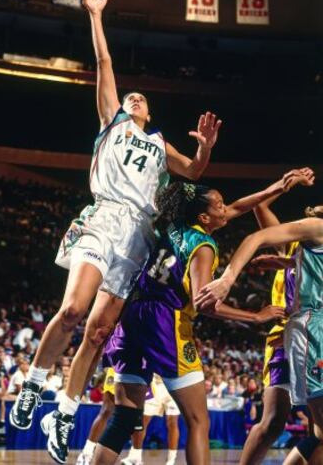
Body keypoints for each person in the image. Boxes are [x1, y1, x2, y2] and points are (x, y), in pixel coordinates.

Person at [10, 0, 222, 465]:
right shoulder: (113, 121)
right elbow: (104, 63)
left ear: (150, 112)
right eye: (131, 97)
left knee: (99, 333)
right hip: (104, 218)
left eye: (143, 100)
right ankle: (34, 385)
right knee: (72, 312)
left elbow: (192, 171)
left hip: (138, 238)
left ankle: (62, 411)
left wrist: (205, 148)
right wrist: (95, 15)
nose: (135, 99)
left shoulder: (158, 142)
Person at [90, 174, 300, 465]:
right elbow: (206, 304)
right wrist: (255, 317)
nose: (226, 208)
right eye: (219, 205)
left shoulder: (172, 225)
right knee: (199, 421)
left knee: (124, 416)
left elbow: (238, 207)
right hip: (165, 322)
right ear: (204, 216)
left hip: (132, 316)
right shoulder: (202, 245)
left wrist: (277, 187)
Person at [197, 204, 323, 465]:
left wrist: (285, 262)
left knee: (315, 430)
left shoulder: (302, 252)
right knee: (276, 421)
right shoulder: (301, 236)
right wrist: (227, 279)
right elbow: (261, 222)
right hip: (296, 331)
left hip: (308, 331)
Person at [239, 168, 315, 465]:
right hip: (286, 334)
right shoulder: (291, 241)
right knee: (272, 422)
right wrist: (287, 184)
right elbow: (260, 207)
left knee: (316, 426)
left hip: (317, 335)